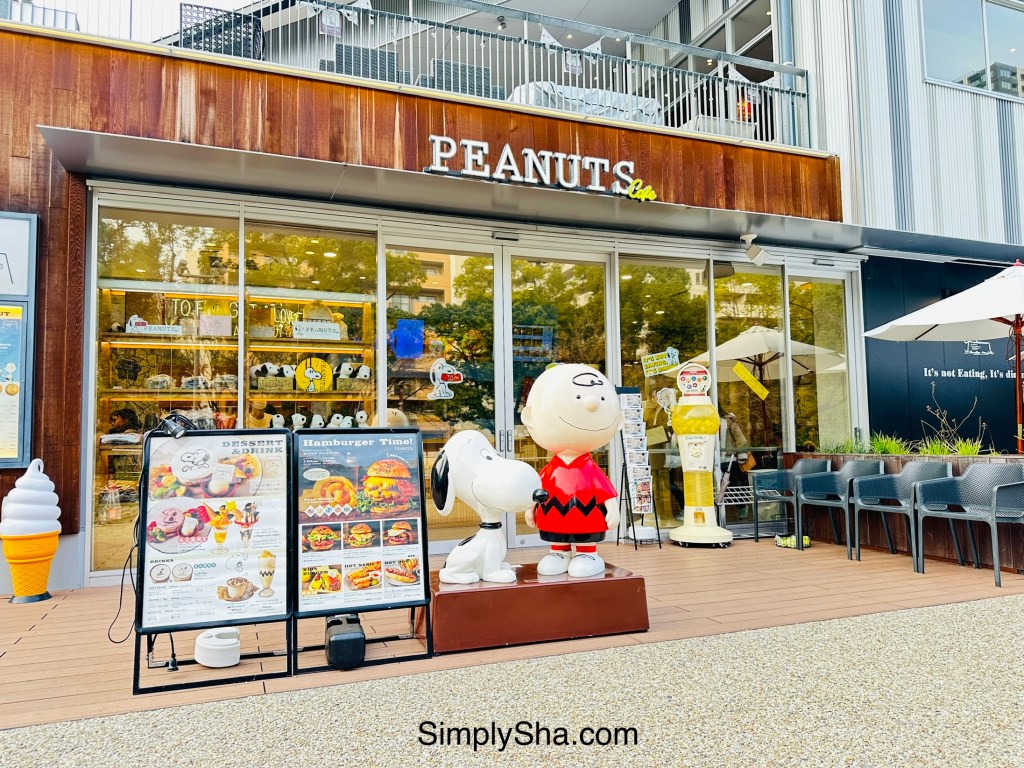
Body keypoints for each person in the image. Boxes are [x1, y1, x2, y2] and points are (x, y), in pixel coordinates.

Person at [521, 364, 625, 578]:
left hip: (586, 517)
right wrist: (530, 507)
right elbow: (538, 490)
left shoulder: (590, 468)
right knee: (556, 537)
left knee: (585, 536)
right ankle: (559, 552)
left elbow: (604, 489)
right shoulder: (551, 470)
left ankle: (587, 554)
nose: (592, 402)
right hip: (554, 517)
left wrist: (613, 508)